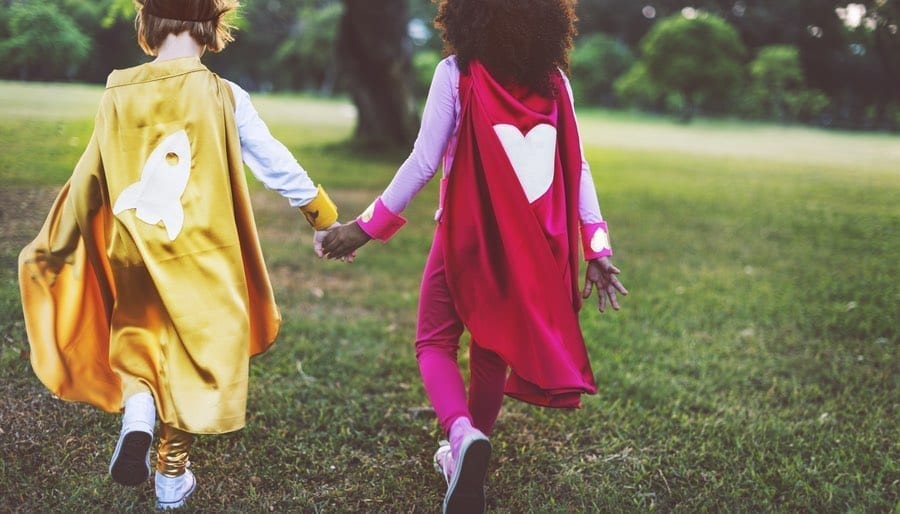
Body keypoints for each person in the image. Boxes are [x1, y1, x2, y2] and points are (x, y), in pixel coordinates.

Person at [18, 0, 339, 509]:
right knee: (190, 357)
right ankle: (171, 477)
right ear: (213, 26)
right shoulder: (224, 94)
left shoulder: (116, 91)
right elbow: (273, 160)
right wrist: (322, 218)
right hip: (203, 257)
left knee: (139, 335)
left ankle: (139, 412)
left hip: (135, 249)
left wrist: (53, 246)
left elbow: (90, 175)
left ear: (146, 24)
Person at [321, 0, 628, 512]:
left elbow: (423, 163)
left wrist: (365, 228)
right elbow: (578, 166)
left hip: (465, 237)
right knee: (491, 351)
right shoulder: (555, 82)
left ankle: (461, 437)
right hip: (532, 249)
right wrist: (596, 245)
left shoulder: (457, 73)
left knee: (434, 340)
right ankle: (473, 443)